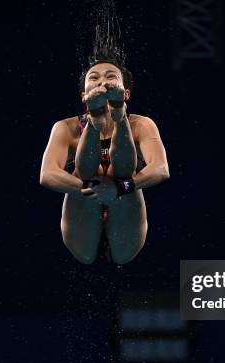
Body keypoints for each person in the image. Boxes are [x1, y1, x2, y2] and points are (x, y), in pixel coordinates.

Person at [39, 56, 169, 264]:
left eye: (111, 77)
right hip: (82, 226)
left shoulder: (142, 125)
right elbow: (47, 174)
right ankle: (93, 123)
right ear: (84, 96)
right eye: (94, 78)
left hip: (125, 221)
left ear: (125, 94)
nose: (102, 82)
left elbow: (161, 169)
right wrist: (90, 187)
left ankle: (119, 118)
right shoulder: (65, 127)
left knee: (121, 172)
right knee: (91, 172)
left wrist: (121, 187)